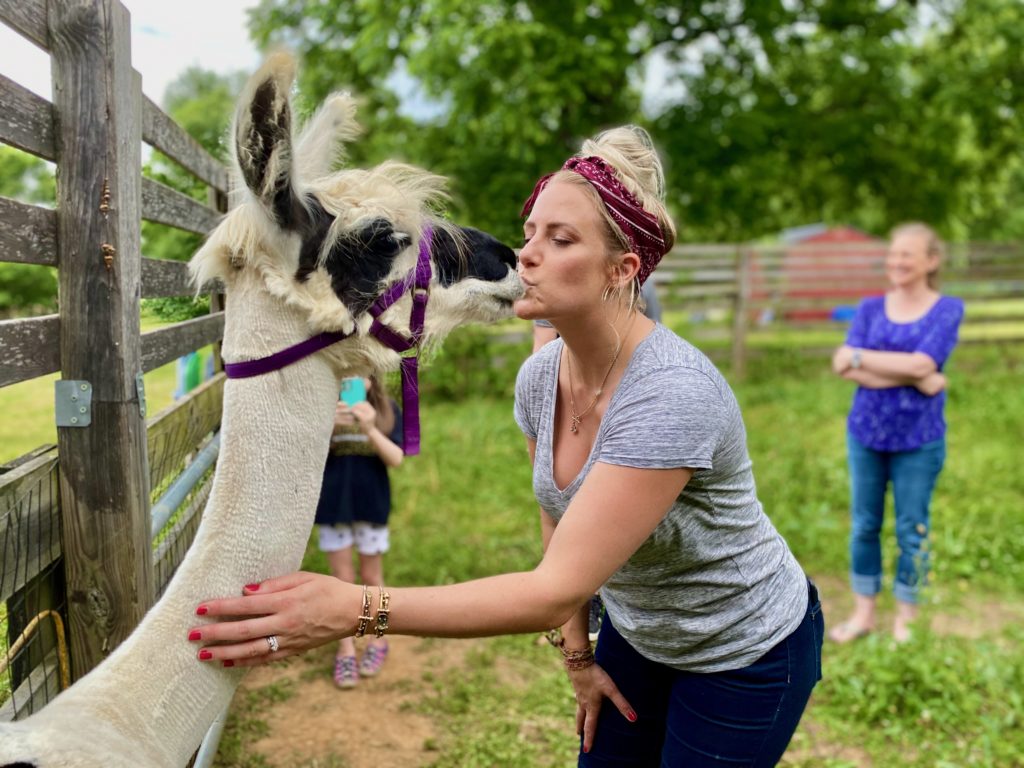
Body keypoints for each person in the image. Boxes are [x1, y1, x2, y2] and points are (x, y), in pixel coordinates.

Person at [189, 125, 823, 766]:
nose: (527, 255)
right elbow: (558, 516)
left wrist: (357, 609)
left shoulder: (672, 395)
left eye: (560, 239)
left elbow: (550, 590)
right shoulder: (539, 378)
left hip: (743, 651)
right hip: (638, 635)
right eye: (530, 234)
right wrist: (579, 654)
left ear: (622, 270)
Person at [829, 223, 963, 644]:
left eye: (908, 254)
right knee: (864, 524)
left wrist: (863, 360)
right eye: (893, 254)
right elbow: (841, 364)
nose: (897, 262)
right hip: (865, 433)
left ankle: (907, 617)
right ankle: (864, 613)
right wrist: (914, 375)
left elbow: (926, 364)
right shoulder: (870, 307)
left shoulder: (947, 309)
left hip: (918, 439)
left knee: (912, 527)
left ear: (931, 261)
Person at [315, 374, 404, 687]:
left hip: (371, 507)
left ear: (372, 376)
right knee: (342, 582)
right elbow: (307, 459)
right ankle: (346, 649)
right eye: (345, 371)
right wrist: (329, 428)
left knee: (372, 579)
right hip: (332, 509)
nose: (352, 378)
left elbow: (396, 458)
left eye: (360, 372)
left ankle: (379, 640)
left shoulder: (385, 409)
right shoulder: (323, 409)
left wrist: (369, 429)